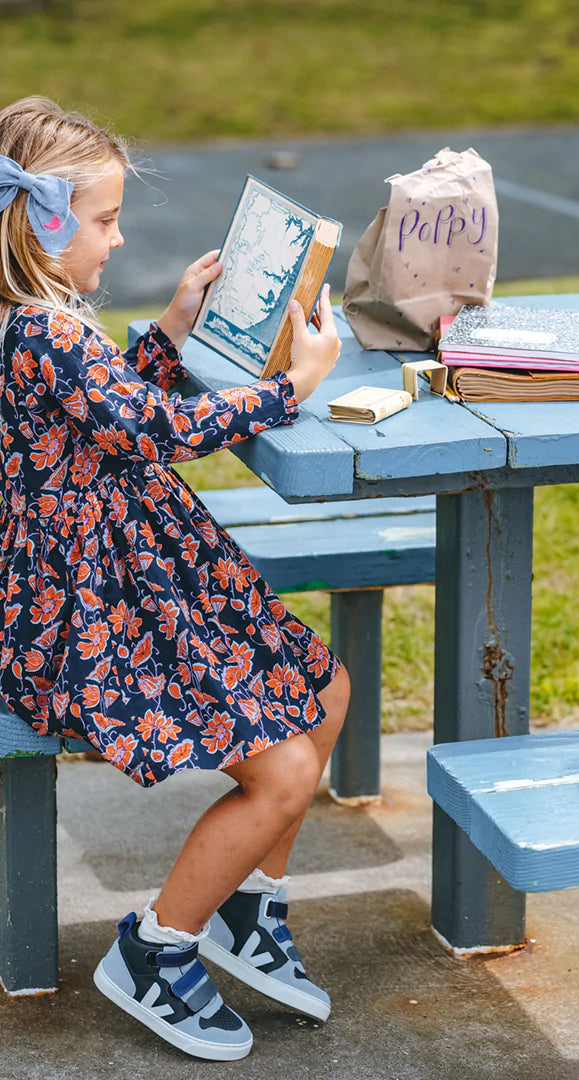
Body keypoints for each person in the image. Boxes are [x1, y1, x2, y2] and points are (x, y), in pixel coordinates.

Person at [0, 96, 351, 1061]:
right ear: (41, 224)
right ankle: (158, 947)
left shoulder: (38, 326)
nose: (115, 240)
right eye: (105, 221)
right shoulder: (43, 335)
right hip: (94, 614)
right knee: (283, 768)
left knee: (326, 688)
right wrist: (293, 386)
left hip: (135, 572)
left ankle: (246, 905)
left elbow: (109, 406)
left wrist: (166, 329)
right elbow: (159, 429)